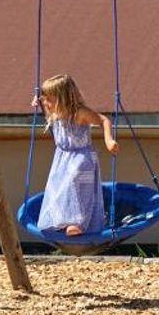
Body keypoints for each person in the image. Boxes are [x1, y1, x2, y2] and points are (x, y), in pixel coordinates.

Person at [33, 74, 118, 238]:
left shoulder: (79, 113)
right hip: (62, 159)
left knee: (74, 182)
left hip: (81, 157)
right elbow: (45, 104)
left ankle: (76, 223)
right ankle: (62, 221)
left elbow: (103, 121)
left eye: (49, 99)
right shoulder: (55, 113)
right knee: (58, 188)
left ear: (62, 98)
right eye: (44, 99)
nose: (46, 103)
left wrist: (109, 140)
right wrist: (40, 102)